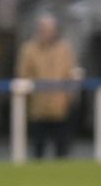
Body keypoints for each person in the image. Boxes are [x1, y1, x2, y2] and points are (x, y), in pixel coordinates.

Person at [15, 13, 80, 159]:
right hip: (38, 107)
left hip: (60, 107)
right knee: (38, 148)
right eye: (43, 29)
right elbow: (23, 75)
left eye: (50, 29)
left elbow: (71, 73)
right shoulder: (29, 49)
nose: (47, 33)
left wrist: (69, 97)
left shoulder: (64, 49)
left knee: (62, 150)